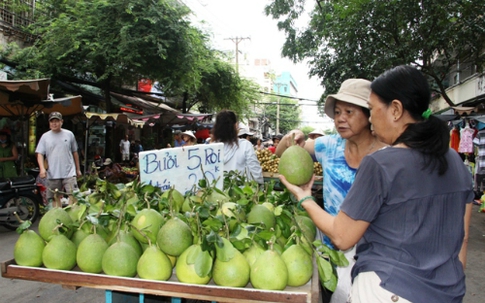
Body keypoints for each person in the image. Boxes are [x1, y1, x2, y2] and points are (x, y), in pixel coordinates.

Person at [279, 65, 473, 303]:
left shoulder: (382, 163)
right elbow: (462, 237)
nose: (371, 119)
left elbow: (342, 237)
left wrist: (305, 197)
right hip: (447, 292)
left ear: (395, 110)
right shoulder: (454, 160)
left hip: (387, 290)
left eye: (372, 110)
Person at [276, 78, 385, 303]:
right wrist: (292, 136)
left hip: (374, 255)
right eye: (337, 112)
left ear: (369, 115)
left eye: (349, 111)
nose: (340, 119)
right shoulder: (329, 146)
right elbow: (283, 152)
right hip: (329, 249)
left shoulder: (387, 154)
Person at [36, 112, 82, 208]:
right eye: (52, 121)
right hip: (53, 173)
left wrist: (78, 169)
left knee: (73, 196)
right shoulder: (45, 137)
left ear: (62, 122)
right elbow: (40, 153)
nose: (54, 123)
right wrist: (42, 169)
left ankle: (70, 216)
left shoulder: (69, 134)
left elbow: (75, 152)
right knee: (55, 197)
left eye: (56, 121)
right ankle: (59, 218)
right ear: (49, 123)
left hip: (69, 172)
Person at [212, 110, 264, 184]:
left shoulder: (211, 148)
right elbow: (255, 172)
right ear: (236, 125)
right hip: (240, 193)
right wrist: (259, 189)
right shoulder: (245, 146)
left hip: (215, 193)